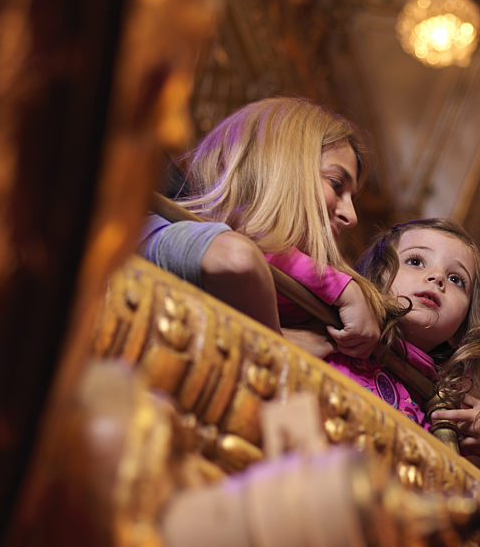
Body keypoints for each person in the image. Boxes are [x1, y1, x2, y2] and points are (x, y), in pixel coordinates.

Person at [139, 96, 381, 358]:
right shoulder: (154, 219)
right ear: (281, 168)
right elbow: (237, 257)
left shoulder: (309, 305)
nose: (352, 216)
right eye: (336, 184)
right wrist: (282, 338)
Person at [331, 219, 480, 460]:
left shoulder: (446, 396)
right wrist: (346, 290)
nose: (437, 277)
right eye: (416, 262)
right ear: (378, 274)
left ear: (462, 329)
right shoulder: (339, 331)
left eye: (456, 280)